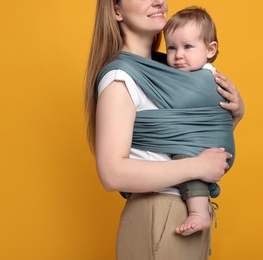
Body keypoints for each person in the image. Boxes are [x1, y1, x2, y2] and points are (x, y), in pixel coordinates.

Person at [85, 0, 244, 259]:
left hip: (182, 211)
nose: (158, 0)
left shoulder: (173, 68)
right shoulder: (120, 78)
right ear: (116, 10)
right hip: (160, 213)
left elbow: (188, 140)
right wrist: (197, 167)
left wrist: (232, 116)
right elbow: (111, 173)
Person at [163, 6, 230, 236]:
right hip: (206, 141)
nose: (178, 54)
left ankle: (199, 213)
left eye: (187, 47)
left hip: (203, 144)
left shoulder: (206, 77)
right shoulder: (186, 75)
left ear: (210, 49)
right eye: (171, 47)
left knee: (185, 159)